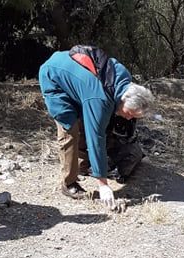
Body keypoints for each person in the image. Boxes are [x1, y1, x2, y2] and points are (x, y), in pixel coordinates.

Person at [38, 46, 154, 209]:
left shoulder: (125, 81)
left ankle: (81, 165)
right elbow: (96, 140)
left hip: (76, 76)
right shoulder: (100, 100)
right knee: (69, 128)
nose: (129, 118)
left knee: (88, 121)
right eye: (129, 113)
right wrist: (103, 184)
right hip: (53, 76)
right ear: (123, 100)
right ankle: (69, 183)